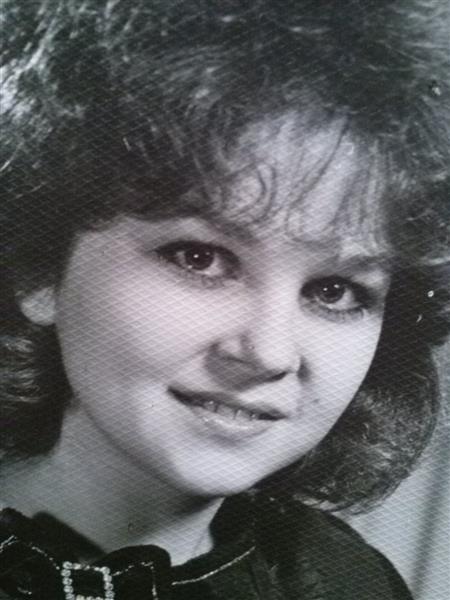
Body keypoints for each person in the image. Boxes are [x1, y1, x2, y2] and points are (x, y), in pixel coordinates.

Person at [0, 1, 449, 598]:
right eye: (200, 258)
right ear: (40, 271)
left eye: (334, 291)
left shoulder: (350, 585)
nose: (268, 353)